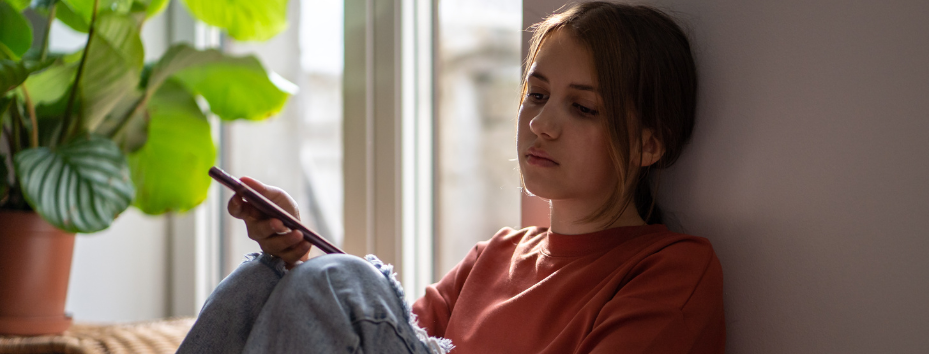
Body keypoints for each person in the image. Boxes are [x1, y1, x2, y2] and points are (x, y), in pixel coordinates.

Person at [177, 2, 724, 353]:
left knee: (342, 282)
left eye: (583, 108)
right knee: (263, 281)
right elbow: (376, 336)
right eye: (536, 95)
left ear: (649, 143)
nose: (541, 123)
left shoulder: (671, 268)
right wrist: (295, 252)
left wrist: (339, 283)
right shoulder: (494, 257)